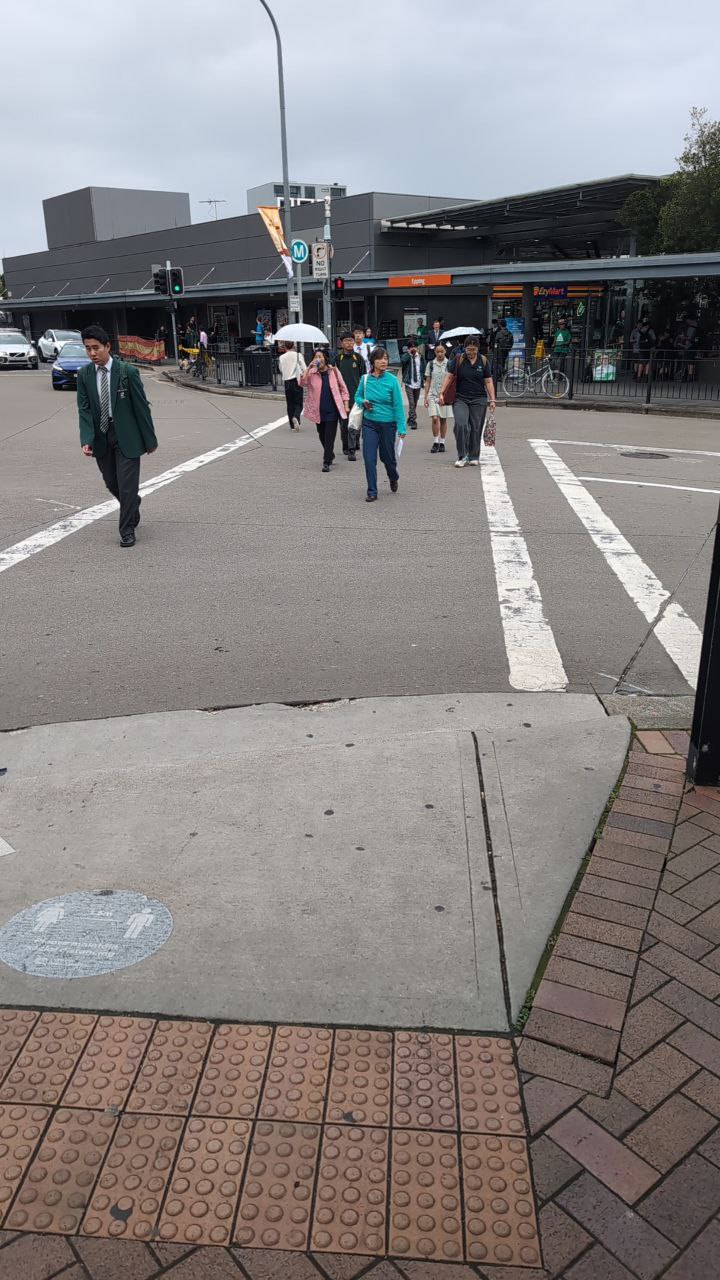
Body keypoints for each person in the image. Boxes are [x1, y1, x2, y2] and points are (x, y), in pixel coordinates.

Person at [77, 324, 158, 548]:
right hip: (102, 436)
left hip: (127, 435)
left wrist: (149, 440)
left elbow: (141, 407)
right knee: (111, 483)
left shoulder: (126, 372)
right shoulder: (84, 375)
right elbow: (84, 409)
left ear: (107, 347)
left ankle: (127, 530)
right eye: (88, 348)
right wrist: (86, 438)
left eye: (96, 348)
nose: (92, 353)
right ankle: (133, 504)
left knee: (127, 486)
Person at [353, 346, 406, 502]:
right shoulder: (365, 379)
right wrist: (364, 402)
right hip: (369, 423)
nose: (384, 361)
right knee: (369, 458)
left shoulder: (392, 380)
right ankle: (372, 491)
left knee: (387, 458)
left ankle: (393, 476)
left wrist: (402, 427)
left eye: (386, 358)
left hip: (388, 424)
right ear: (373, 361)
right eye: (380, 358)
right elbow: (357, 397)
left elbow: (398, 405)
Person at [439, 334, 495, 468]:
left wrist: (492, 399)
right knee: (461, 424)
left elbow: (488, 381)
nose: (471, 352)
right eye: (468, 349)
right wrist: (442, 393)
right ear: (464, 348)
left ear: (478, 349)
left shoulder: (483, 360)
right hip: (460, 398)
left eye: (474, 349)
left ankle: (474, 455)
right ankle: (462, 455)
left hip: (479, 399)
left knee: (476, 427)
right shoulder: (458, 359)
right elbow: (449, 376)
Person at [299, 350, 349, 472]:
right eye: (316, 356)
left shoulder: (334, 371)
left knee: (329, 437)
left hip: (332, 410)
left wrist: (346, 404)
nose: (318, 358)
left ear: (325, 359)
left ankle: (326, 462)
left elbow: (343, 388)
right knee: (322, 435)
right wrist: (308, 368)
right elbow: (302, 383)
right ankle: (330, 454)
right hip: (318, 411)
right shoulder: (312, 372)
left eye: (320, 356)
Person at [335, 332, 366, 459]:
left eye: (351, 340)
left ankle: (354, 443)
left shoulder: (358, 358)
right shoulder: (338, 359)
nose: (349, 343)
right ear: (341, 343)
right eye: (346, 341)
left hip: (356, 396)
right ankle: (347, 446)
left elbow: (364, 377)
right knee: (344, 423)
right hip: (342, 397)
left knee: (356, 421)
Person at [423, 342, 452, 452]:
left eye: (442, 351)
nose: (440, 354)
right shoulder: (430, 364)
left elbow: (451, 380)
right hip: (432, 394)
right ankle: (435, 441)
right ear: (435, 352)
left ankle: (442, 442)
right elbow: (427, 382)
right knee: (435, 418)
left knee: (443, 419)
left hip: (445, 396)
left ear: (445, 351)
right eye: (437, 351)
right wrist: (425, 397)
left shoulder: (449, 364)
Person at [278, 340, 306, 430]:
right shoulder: (298, 355)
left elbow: (281, 369)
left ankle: (292, 425)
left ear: (285, 347)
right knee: (299, 402)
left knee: (290, 404)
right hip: (296, 380)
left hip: (287, 381)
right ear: (293, 346)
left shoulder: (281, 357)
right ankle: (296, 416)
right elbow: (304, 368)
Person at [401, 337, 426, 429]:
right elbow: (403, 361)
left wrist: (425, 379)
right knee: (411, 403)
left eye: (415, 347)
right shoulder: (406, 356)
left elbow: (423, 368)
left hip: (418, 383)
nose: (413, 348)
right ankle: (413, 421)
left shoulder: (421, 357)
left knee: (415, 403)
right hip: (409, 383)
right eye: (411, 347)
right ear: (408, 348)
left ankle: (410, 417)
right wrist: (409, 354)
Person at [493, 319, 514, 383]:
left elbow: (496, 342)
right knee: (503, 362)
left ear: (500, 325)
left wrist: (495, 349)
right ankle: (500, 377)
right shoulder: (509, 333)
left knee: (498, 363)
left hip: (500, 350)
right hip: (506, 350)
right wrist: (509, 348)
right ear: (506, 325)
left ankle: (504, 372)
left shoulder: (499, 333)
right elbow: (512, 342)